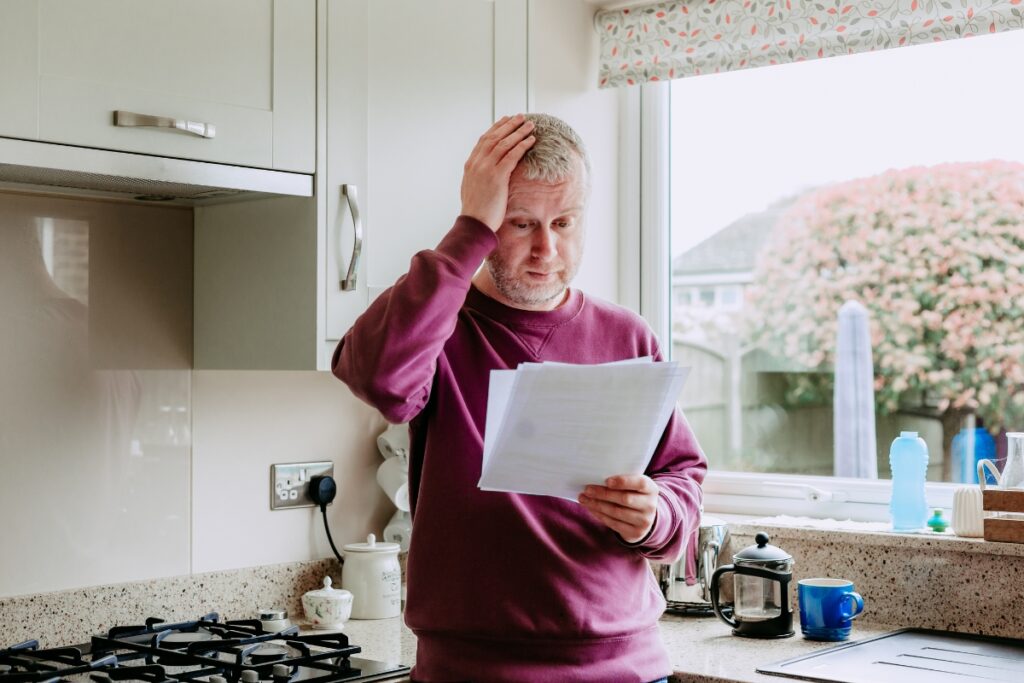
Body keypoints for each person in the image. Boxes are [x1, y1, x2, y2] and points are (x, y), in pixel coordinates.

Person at [332, 113, 706, 682]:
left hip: (627, 669)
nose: (546, 250)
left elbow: (683, 478)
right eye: (520, 223)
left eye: (565, 222)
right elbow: (378, 378)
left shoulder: (628, 336)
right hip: (471, 672)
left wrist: (655, 515)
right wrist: (467, 230)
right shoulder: (442, 326)